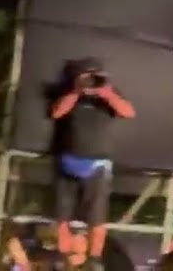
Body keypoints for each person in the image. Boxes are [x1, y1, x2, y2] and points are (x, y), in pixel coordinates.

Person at [49, 58, 135, 271]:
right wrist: (77, 92)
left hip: (98, 162)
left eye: (95, 76)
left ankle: (95, 258)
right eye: (87, 76)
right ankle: (62, 256)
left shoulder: (109, 95)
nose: (91, 81)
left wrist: (107, 93)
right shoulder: (70, 94)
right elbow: (57, 112)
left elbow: (129, 112)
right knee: (63, 214)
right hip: (68, 159)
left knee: (97, 216)